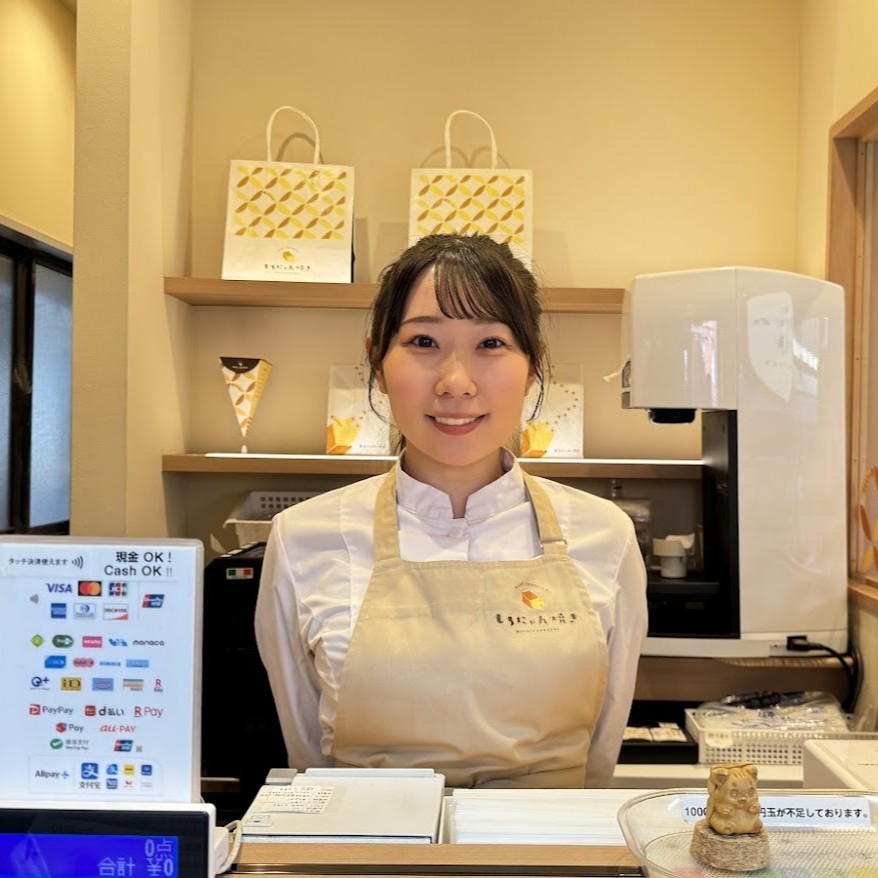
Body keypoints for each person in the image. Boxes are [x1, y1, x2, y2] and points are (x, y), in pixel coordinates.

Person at [255, 234, 648, 788]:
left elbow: (598, 758)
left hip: (546, 842)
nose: (456, 384)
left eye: (491, 343)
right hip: (367, 842)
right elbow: (308, 757)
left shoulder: (605, 535)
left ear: (533, 366)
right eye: (423, 341)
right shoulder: (302, 538)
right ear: (377, 363)